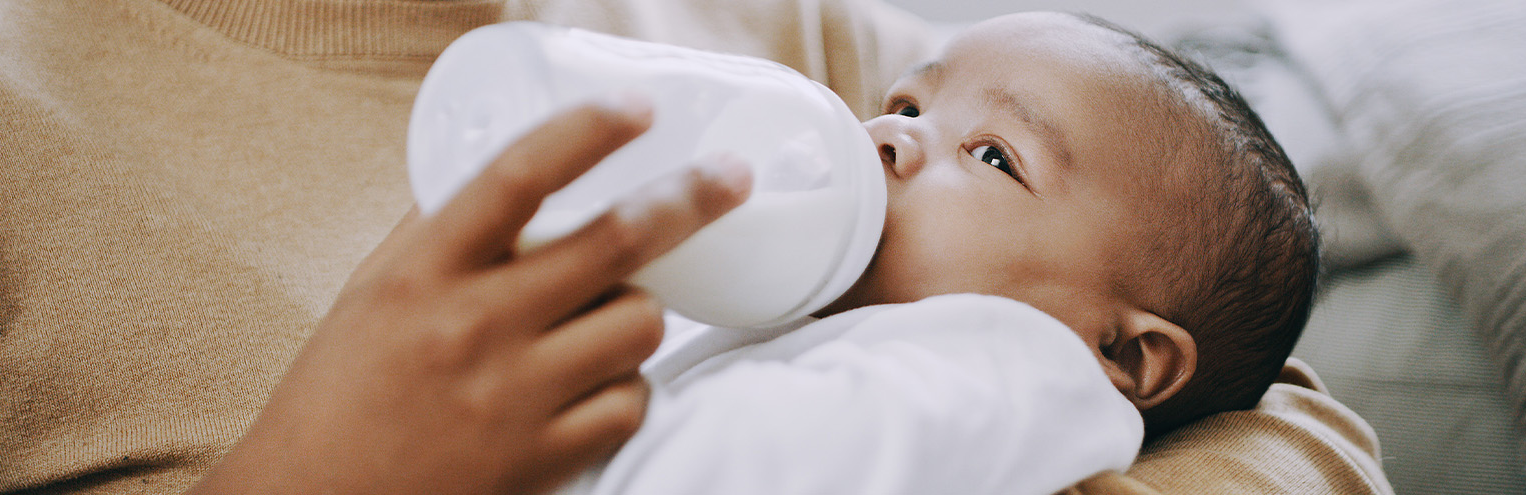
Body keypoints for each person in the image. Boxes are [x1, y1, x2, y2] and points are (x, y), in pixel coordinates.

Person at [0, 1, 1387, 494]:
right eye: (904, 115)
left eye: (975, 151)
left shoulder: (779, 29)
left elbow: (1268, 390)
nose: (880, 141)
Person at [562, 11, 1321, 494]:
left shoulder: (1013, 369)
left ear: (1122, 353)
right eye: (907, 106)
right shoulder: (804, 292)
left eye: (993, 156)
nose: (889, 136)